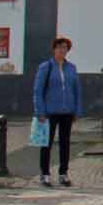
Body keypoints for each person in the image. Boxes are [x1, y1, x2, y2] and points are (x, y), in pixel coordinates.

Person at [30, 36, 81, 188]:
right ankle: (45, 174)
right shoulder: (46, 67)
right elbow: (38, 90)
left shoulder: (71, 68)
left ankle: (63, 173)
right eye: (59, 47)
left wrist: (77, 110)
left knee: (65, 143)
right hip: (49, 111)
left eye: (65, 47)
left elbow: (76, 90)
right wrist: (40, 111)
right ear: (54, 49)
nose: (62, 50)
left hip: (67, 111)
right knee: (46, 143)